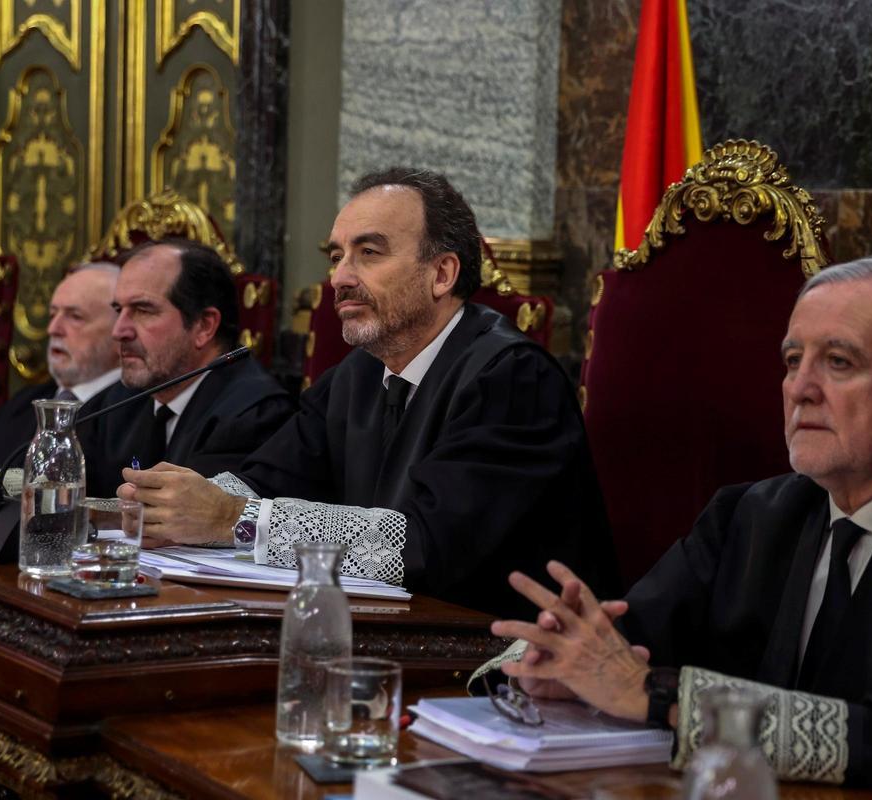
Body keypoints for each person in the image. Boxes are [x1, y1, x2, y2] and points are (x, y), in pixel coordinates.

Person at [489, 257, 872, 797]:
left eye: (840, 362)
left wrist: (658, 698)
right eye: (792, 360)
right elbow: (627, 638)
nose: (800, 388)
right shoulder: (749, 515)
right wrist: (556, 665)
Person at [117, 167, 620, 617]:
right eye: (337, 256)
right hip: (386, 632)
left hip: (498, 655)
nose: (339, 278)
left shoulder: (511, 379)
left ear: (441, 274)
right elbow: (267, 478)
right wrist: (176, 505)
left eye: (369, 253)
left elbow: (423, 546)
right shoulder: (357, 375)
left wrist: (232, 519)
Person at [80, 239, 294, 497]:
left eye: (143, 310)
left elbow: (192, 524)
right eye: (119, 310)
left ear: (204, 326)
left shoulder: (252, 415)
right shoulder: (116, 402)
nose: (119, 331)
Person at [0, 262, 122, 470]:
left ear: (121, 330)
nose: (53, 328)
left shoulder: (130, 416)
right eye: (53, 314)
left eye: (75, 317)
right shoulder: (26, 401)